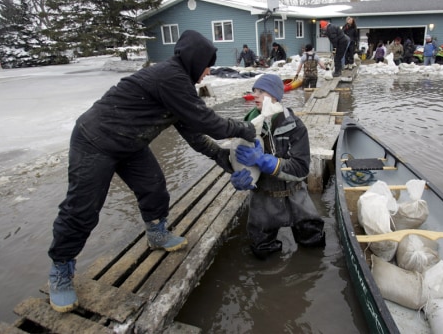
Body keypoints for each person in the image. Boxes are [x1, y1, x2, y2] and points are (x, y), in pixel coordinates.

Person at [46, 30, 256, 313]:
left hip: (129, 142)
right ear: (194, 59)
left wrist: (220, 155)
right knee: (82, 209)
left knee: (154, 187)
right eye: (207, 63)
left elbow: (193, 132)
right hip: (95, 140)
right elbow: (210, 123)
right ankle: (60, 269)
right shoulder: (170, 77)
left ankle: (156, 233)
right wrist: (245, 128)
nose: (208, 70)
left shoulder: (179, 84)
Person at [229, 74, 326, 259]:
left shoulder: (295, 126)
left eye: (261, 91)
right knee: (262, 250)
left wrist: (264, 160)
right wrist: (238, 177)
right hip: (263, 199)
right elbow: (235, 158)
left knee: (313, 241)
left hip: (296, 195)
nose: (255, 95)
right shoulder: (246, 127)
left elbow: (301, 169)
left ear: (274, 96)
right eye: (254, 91)